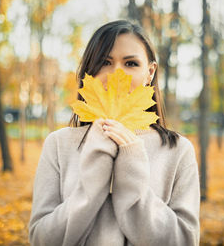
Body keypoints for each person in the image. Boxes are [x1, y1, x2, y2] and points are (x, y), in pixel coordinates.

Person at [28, 20, 200, 246]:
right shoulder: (59, 144)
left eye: (130, 63)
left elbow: (185, 241)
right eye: (104, 62)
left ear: (150, 73)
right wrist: (91, 185)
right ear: (89, 70)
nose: (117, 74)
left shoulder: (177, 150)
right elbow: (41, 239)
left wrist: (132, 174)